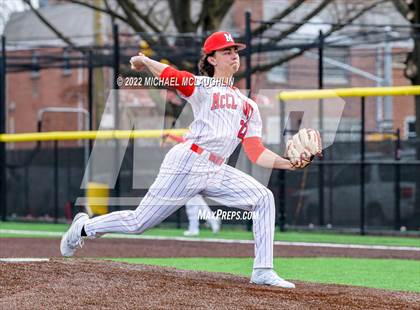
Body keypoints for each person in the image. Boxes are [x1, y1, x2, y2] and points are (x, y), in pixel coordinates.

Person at [61, 31, 299, 288]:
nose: (234, 56)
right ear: (211, 59)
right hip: (188, 162)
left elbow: (256, 152)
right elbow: (173, 76)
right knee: (139, 222)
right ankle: (83, 228)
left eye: (236, 51)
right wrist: (145, 61)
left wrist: (289, 162)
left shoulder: (248, 106)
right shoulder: (203, 86)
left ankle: (263, 270)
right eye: (226, 51)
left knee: (264, 198)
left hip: (217, 168)